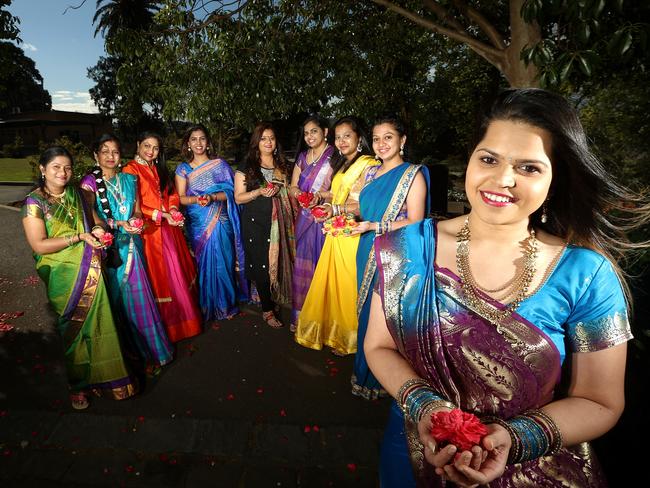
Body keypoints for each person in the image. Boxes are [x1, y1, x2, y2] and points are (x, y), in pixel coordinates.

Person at [365, 88, 647, 487]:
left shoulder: (586, 274)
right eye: (489, 159)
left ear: (555, 179)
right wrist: (427, 407)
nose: (503, 179)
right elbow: (378, 345)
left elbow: (600, 401)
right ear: (471, 160)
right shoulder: (405, 249)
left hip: (533, 467)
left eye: (530, 168)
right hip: (414, 446)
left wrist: (514, 440)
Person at [22, 146, 137, 410]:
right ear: (43, 169)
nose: (63, 172)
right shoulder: (34, 203)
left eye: (67, 167)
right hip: (63, 276)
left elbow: (97, 221)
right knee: (73, 331)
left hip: (91, 268)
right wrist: (79, 237)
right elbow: (39, 245)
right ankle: (78, 384)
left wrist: (97, 230)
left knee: (101, 326)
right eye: (56, 167)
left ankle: (105, 379)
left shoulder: (77, 193)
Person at [349, 116, 429, 400]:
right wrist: (337, 213)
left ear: (402, 140)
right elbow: (357, 205)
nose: (381, 144)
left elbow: (416, 220)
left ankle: (385, 380)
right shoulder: (369, 173)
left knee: (387, 314)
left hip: (394, 252)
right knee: (365, 311)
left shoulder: (413, 175)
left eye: (388, 137)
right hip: (365, 245)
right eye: (376, 138)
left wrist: (374, 226)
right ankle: (365, 371)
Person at [80, 134, 173, 376]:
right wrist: (117, 224)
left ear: (121, 156)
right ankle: (128, 357)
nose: (111, 156)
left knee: (140, 300)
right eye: (105, 151)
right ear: (95, 155)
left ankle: (149, 353)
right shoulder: (89, 183)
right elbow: (92, 215)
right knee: (118, 304)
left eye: (115, 152)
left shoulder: (130, 179)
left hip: (133, 246)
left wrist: (136, 222)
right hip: (111, 250)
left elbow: (138, 211)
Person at [294, 116, 380, 355]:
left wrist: (336, 210)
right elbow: (335, 194)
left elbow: (367, 205)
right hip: (336, 230)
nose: (341, 141)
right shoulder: (343, 163)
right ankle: (335, 333)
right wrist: (320, 200)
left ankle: (349, 339)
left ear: (359, 138)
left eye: (347, 136)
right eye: (338, 137)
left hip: (353, 233)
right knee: (334, 286)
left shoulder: (369, 164)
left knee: (348, 286)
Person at [123, 131, 202, 342]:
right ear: (138, 144)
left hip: (169, 229)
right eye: (147, 146)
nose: (151, 151)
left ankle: (186, 322)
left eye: (155, 148)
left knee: (177, 273)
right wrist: (162, 214)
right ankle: (168, 327)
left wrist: (174, 210)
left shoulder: (158, 168)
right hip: (150, 231)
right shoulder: (130, 170)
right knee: (162, 278)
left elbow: (171, 193)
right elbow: (135, 203)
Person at [175, 124, 248, 321]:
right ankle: (208, 303)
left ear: (208, 142)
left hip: (221, 220)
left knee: (224, 260)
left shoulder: (220, 165)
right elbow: (181, 198)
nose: (198, 143)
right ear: (188, 144)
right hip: (198, 221)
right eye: (194, 139)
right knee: (204, 262)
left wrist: (212, 198)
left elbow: (232, 193)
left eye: (202, 139)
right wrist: (198, 200)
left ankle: (226, 304)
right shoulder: (183, 169)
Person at [234, 122, 298, 328]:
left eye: (271, 138)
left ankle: (277, 298)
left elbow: (293, 190)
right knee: (261, 264)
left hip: (281, 221)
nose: (268, 142)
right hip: (255, 223)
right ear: (257, 142)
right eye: (263, 138)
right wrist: (258, 192)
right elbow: (238, 198)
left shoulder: (285, 166)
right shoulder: (247, 166)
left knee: (279, 260)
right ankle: (267, 310)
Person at [288, 115, 334, 331]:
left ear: (325, 131)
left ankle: (323, 320)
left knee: (324, 265)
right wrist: (299, 193)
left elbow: (342, 190)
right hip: (305, 219)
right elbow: (292, 186)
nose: (309, 136)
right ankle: (303, 316)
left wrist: (320, 196)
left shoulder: (335, 156)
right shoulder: (302, 158)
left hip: (326, 218)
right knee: (304, 263)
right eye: (306, 133)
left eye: (314, 131)